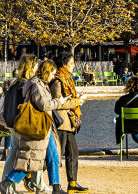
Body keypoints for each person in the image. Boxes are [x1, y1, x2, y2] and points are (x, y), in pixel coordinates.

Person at [0, 60, 69, 194]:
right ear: (46, 72)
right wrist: (59, 102)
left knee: (51, 156)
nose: (53, 77)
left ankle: (56, 186)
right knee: (31, 159)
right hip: (37, 127)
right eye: (52, 74)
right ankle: (7, 182)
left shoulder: (38, 83)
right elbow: (44, 105)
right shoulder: (36, 84)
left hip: (44, 127)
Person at [50, 52, 89, 193]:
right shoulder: (58, 80)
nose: (74, 66)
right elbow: (57, 103)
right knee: (55, 155)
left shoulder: (66, 78)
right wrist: (77, 101)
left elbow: (66, 98)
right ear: (64, 64)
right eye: (71, 63)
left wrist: (76, 99)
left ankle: (72, 182)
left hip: (69, 121)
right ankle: (51, 183)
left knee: (73, 153)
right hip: (61, 121)